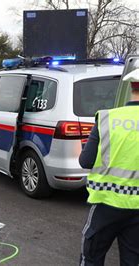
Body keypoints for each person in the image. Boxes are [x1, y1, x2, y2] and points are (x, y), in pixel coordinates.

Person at [78, 69, 139, 266]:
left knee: (92, 258)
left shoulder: (106, 118)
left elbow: (86, 162)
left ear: (131, 86)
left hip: (106, 203)